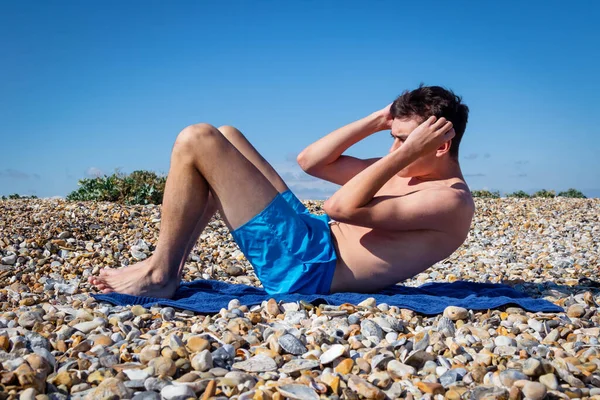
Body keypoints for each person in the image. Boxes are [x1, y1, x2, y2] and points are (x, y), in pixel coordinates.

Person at [89, 84, 475, 297]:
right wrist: (379, 120)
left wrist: (405, 153)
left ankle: (159, 273)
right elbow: (312, 162)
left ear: (437, 146)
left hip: (307, 269)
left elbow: (340, 206)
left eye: (404, 142)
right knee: (227, 136)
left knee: (197, 138)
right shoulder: (406, 169)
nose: (393, 150)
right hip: (311, 239)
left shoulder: (448, 199)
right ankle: (169, 269)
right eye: (394, 140)